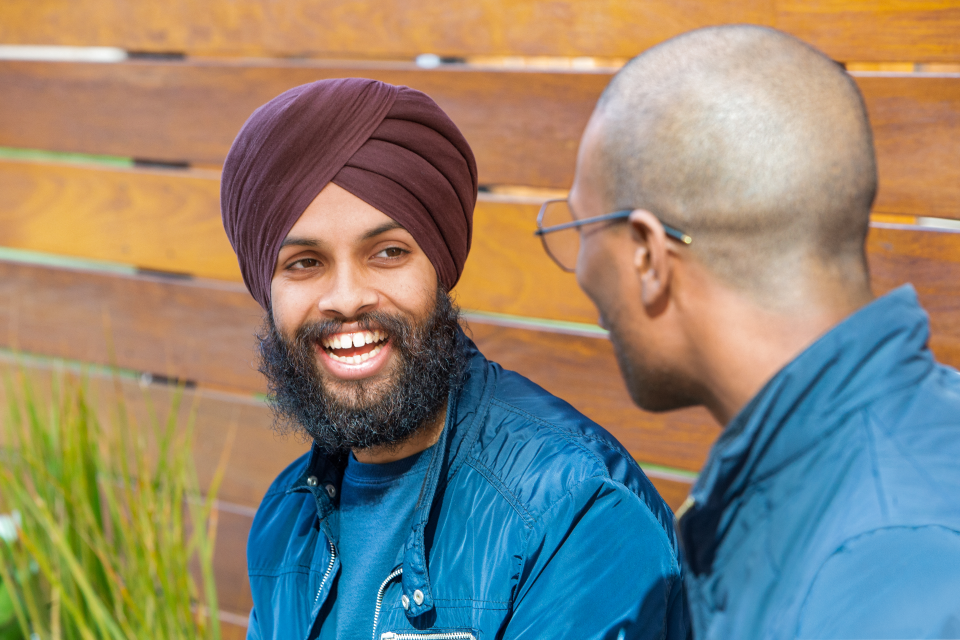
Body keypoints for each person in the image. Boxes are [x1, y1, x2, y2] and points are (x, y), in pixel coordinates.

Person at [220, 78, 688, 640]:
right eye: (304, 263)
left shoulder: (574, 511)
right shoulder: (285, 518)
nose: (346, 298)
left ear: (439, 266)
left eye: (388, 253)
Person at [542, 24, 960, 639]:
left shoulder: (885, 570)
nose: (579, 270)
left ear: (649, 256)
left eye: (583, 230)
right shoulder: (804, 475)